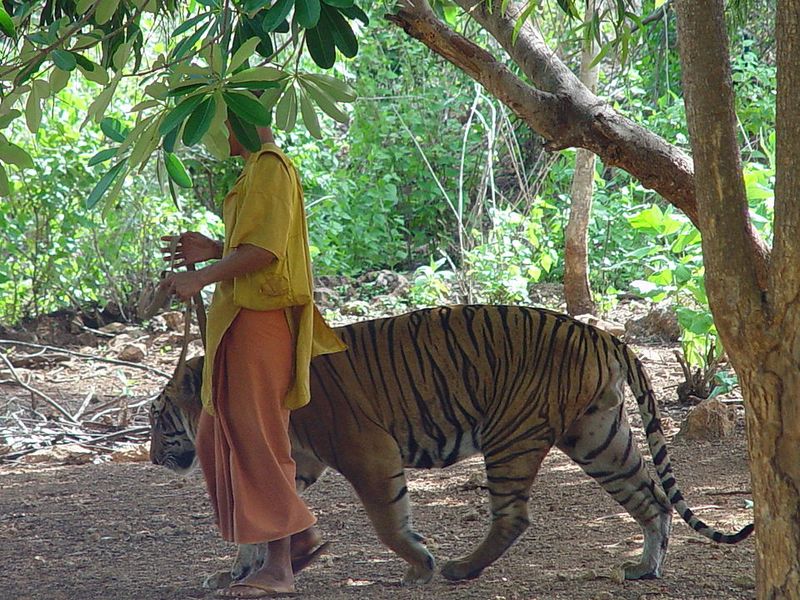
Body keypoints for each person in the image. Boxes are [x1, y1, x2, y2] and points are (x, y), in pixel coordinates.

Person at [159, 123, 346, 598]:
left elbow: (264, 253)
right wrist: (211, 253)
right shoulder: (252, 172)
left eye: (220, 120)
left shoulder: (269, 167)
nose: (216, 133)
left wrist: (201, 278)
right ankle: (297, 537)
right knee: (215, 433)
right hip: (238, 324)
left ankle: (279, 568)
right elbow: (260, 249)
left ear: (241, 117)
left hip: (260, 324)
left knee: (257, 438)